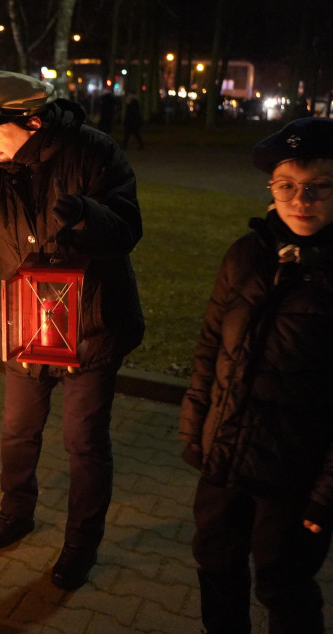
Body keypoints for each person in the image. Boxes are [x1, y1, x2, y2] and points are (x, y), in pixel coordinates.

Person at [0, 70, 143, 591]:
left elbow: (127, 228)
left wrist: (85, 216)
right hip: (26, 328)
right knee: (17, 431)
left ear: (32, 122)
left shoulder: (95, 155)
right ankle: (16, 512)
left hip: (91, 326)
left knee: (83, 441)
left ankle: (81, 543)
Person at [179, 117, 333, 634]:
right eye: (286, 185)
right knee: (217, 568)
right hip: (225, 454)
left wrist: (325, 493)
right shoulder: (246, 255)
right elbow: (209, 347)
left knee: (282, 583)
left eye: (318, 187)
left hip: (293, 474)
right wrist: (195, 425)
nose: (301, 199)